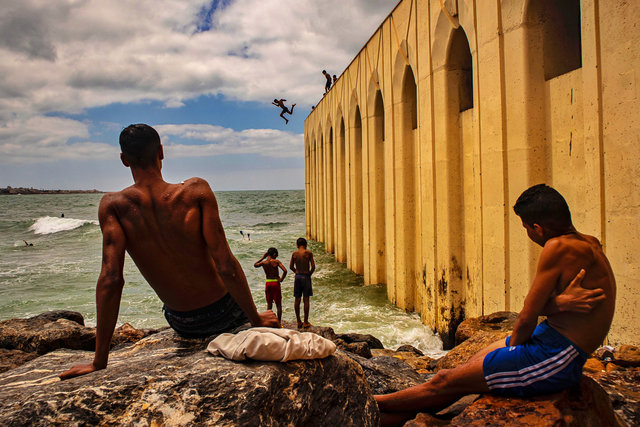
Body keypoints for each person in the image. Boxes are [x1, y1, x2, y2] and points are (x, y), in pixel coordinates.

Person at [375, 184, 615, 426]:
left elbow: (526, 316)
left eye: (525, 228)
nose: (528, 234)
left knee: (446, 380)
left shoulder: (557, 247)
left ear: (537, 228)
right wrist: (559, 304)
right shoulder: (590, 242)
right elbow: (541, 310)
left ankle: (371, 401)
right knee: (462, 372)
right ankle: (389, 417)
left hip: (557, 357)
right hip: (550, 336)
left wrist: (513, 352)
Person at [59, 124, 279, 380]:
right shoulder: (196, 191)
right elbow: (225, 264)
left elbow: (111, 279)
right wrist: (255, 320)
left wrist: (99, 361)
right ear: (161, 152)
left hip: (182, 322)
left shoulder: (113, 206)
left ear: (123, 159)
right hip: (226, 313)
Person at [254, 247, 287, 322]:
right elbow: (285, 270)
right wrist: (281, 279)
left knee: (269, 304)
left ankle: (269, 321)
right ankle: (279, 322)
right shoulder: (276, 262)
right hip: (275, 283)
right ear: (274, 254)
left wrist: (263, 257)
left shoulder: (264, 263)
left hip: (268, 283)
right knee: (278, 305)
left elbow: (255, 265)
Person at [289, 237, 315, 329]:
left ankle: (298, 321)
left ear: (297, 245)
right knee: (306, 299)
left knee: (297, 299)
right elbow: (313, 266)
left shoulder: (294, 254)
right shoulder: (308, 253)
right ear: (305, 244)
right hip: (306, 276)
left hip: (298, 276)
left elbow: (291, 266)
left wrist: (296, 271)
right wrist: (309, 274)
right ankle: (306, 321)